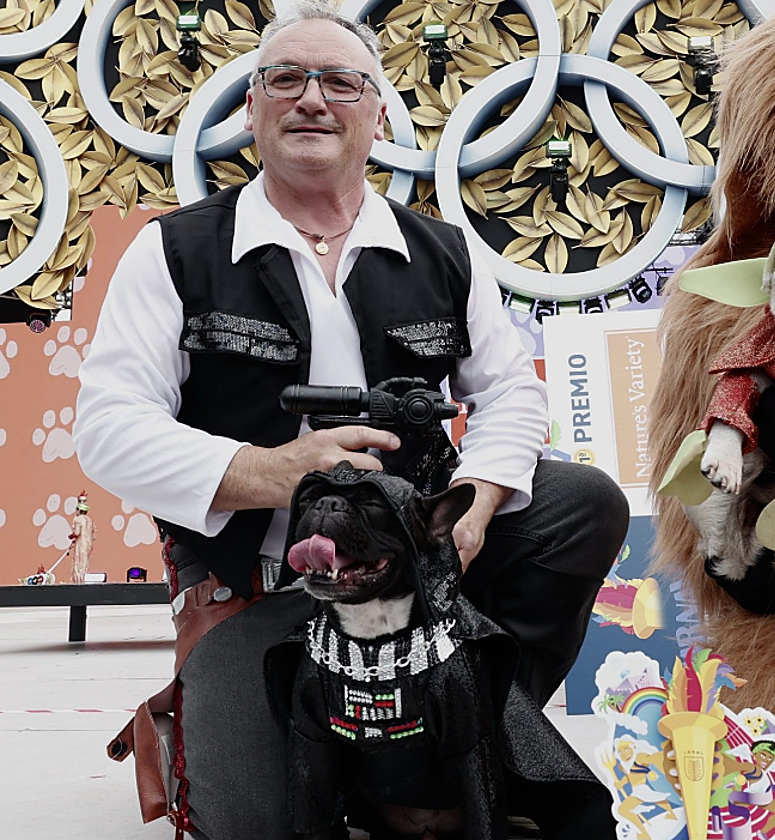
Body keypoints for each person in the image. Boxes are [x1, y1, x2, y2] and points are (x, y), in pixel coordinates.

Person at [74, 2, 629, 837]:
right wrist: (271, 471)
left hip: (418, 584)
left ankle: (455, 715)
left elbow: (512, 393)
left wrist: (476, 501)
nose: (311, 99)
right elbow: (108, 426)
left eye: (340, 81)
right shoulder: (175, 251)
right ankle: (313, 740)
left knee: (576, 501)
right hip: (261, 589)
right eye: (286, 80)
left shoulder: (446, 249)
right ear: (252, 108)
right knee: (258, 823)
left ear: (376, 113)